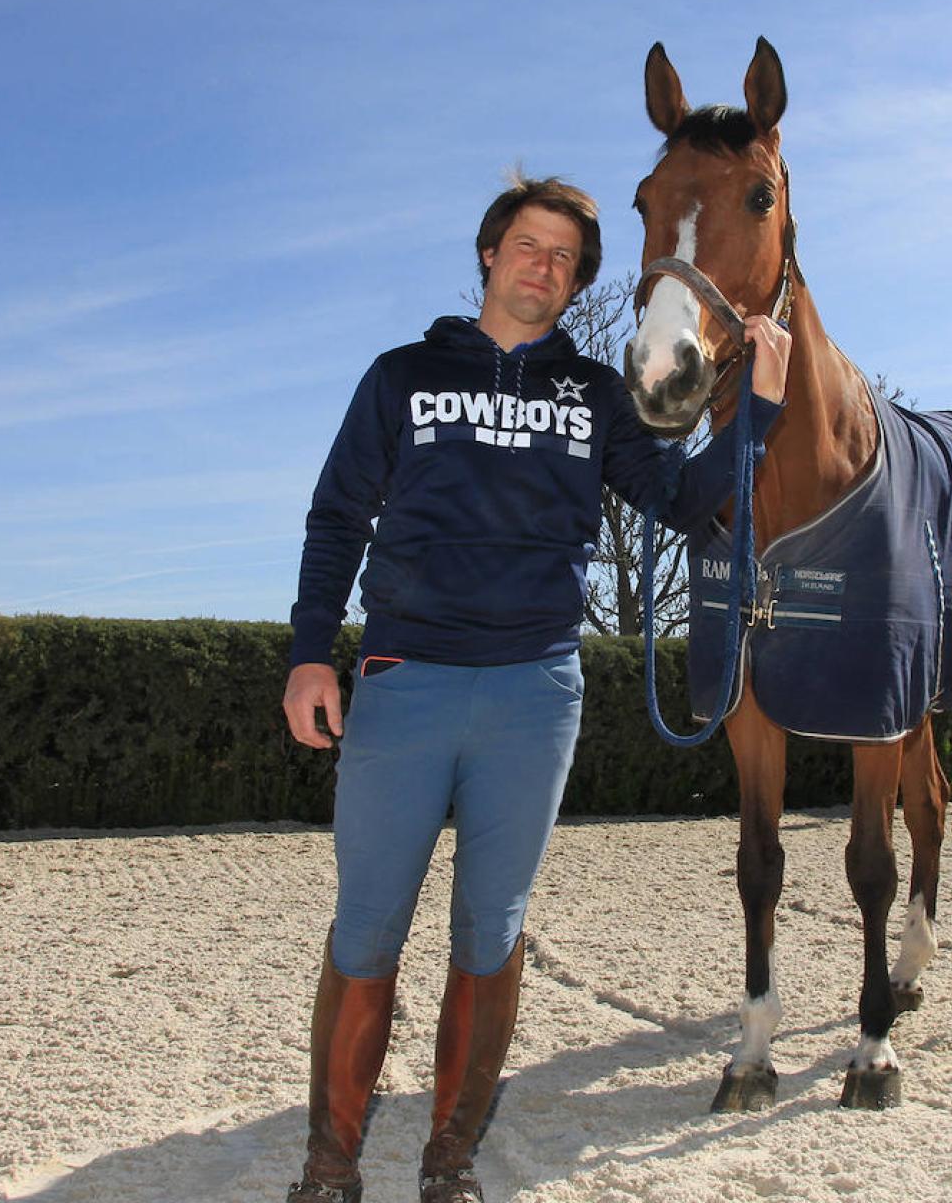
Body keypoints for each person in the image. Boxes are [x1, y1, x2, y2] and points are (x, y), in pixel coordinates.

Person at [280, 174, 790, 1203]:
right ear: (488, 253)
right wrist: (306, 654)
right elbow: (337, 517)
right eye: (527, 246)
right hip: (404, 679)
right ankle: (331, 1165)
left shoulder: (596, 395)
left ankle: (448, 1160)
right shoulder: (402, 375)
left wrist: (756, 415)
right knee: (368, 926)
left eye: (564, 259)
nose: (543, 268)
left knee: (492, 931)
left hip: (534, 693)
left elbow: (684, 503)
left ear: (575, 283)